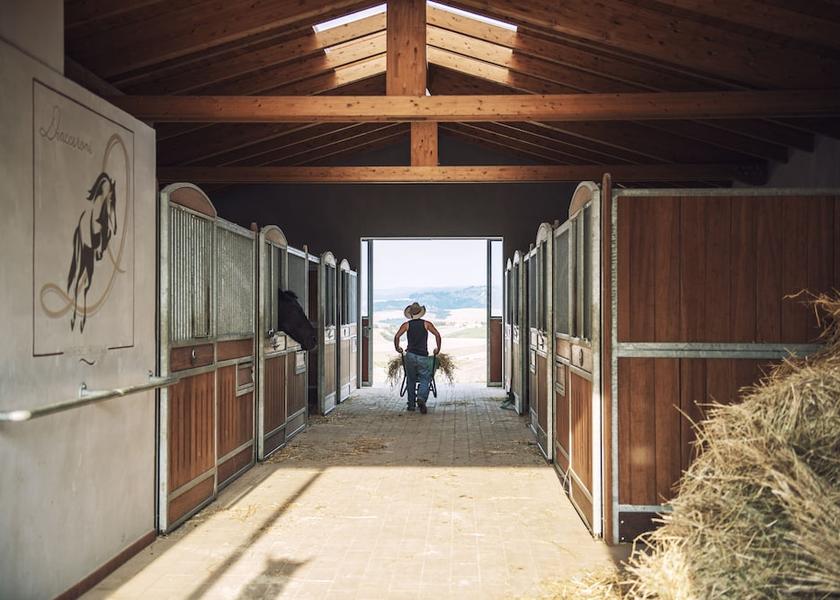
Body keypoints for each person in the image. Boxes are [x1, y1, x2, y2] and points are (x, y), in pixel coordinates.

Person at [394, 302, 442, 414]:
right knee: (425, 378)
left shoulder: (406, 325)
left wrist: (398, 348)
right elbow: (437, 335)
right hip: (422, 356)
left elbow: (397, 336)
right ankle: (421, 398)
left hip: (410, 355)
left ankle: (411, 405)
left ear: (410, 314)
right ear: (421, 313)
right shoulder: (427, 324)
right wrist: (438, 348)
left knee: (410, 379)